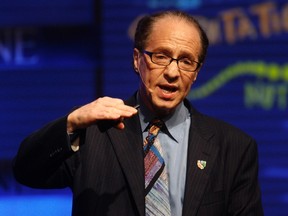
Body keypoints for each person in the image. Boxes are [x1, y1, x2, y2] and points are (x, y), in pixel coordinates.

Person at [13, 10, 263, 216]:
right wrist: (71, 124)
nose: (173, 72)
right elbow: (26, 170)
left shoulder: (233, 147)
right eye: (161, 56)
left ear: (196, 73)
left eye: (186, 61)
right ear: (137, 60)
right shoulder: (94, 132)